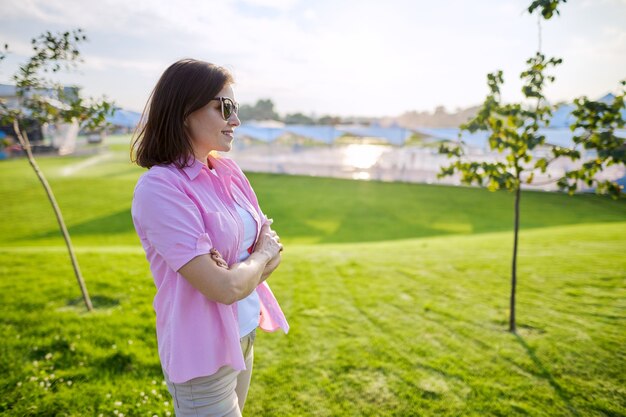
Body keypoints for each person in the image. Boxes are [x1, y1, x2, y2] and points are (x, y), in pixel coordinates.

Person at [130, 59, 289, 416]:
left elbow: (271, 243)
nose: (236, 120)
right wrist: (253, 261)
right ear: (185, 110)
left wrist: (236, 270)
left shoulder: (227, 169)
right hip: (201, 352)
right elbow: (227, 286)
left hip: (244, 331)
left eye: (236, 108)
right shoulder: (160, 188)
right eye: (225, 108)